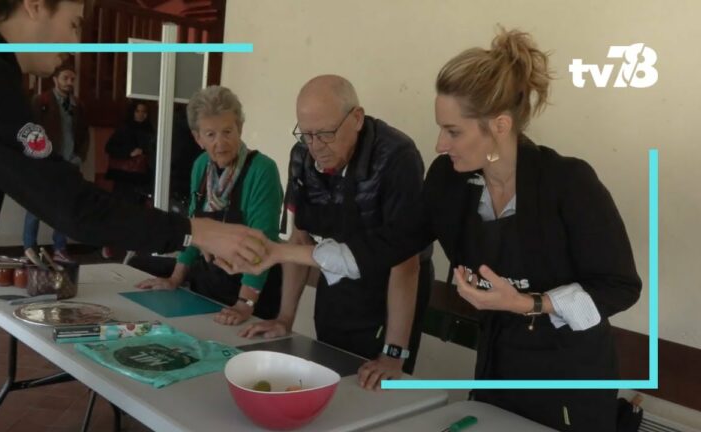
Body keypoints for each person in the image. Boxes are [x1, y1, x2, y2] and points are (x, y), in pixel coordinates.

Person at [0, 1, 266, 429]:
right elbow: (69, 205)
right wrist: (193, 231)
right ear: (34, 5)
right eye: (72, 25)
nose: (74, 44)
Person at [417, 28, 641, 431]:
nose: (439, 144)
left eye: (453, 131)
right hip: (497, 367)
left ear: (499, 126)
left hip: (571, 381)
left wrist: (529, 303)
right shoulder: (448, 183)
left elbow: (621, 286)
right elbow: (394, 241)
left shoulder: (569, 184)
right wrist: (287, 252)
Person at [239, 75, 433, 392]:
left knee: (373, 391)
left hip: (389, 291)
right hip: (334, 283)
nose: (316, 147)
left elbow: (405, 262)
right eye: (307, 135)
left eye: (326, 134)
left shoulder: (398, 157)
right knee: (328, 378)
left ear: (356, 118)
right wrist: (284, 318)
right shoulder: (302, 156)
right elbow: (299, 240)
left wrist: (394, 353)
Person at [137, 86, 283, 326]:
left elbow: (262, 241)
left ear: (240, 129)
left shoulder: (262, 170)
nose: (221, 143)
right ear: (198, 138)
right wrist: (174, 279)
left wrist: (244, 305)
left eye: (228, 131)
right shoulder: (201, 166)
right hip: (208, 287)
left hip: (252, 293)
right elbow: (194, 228)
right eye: (211, 134)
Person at [24, 62, 89, 262]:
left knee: (64, 207)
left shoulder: (78, 105)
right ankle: (29, 248)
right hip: (45, 163)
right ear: (55, 79)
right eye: (65, 78)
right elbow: (31, 130)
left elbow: (84, 135)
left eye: (72, 79)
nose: (69, 82)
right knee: (35, 207)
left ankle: (60, 248)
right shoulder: (41, 101)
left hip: (69, 163)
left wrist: (79, 157)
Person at [101, 100, 156, 259]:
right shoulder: (124, 129)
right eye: (138, 111)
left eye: (144, 112)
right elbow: (109, 148)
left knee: (138, 214)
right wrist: (129, 152)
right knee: (119, 212)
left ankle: (132, 248)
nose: (141, 115)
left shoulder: (150, 130)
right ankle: (109, 244)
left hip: (142, 178)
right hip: (125, 179)